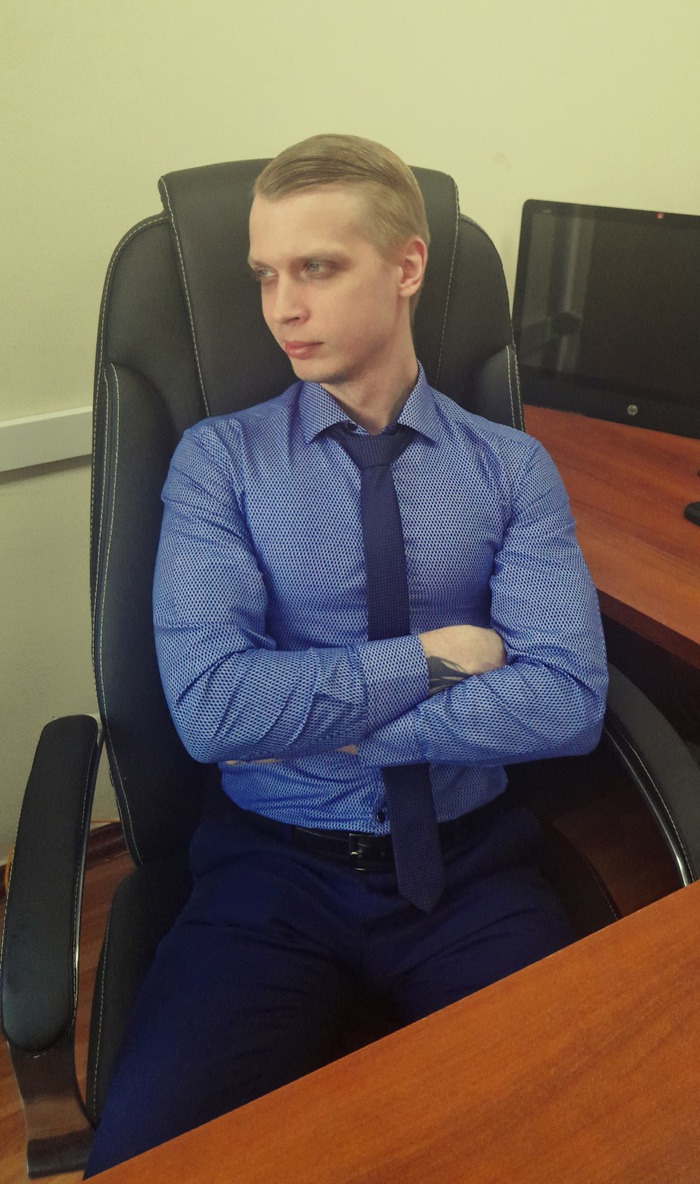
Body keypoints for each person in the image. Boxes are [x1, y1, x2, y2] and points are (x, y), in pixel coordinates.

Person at [84, 134, 607, 1175]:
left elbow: (567, 701)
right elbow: (215, 713)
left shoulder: (510, 468)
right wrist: (437, 656)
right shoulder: (220, 463)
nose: (281, 308)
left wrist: (332, 728)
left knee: (597, 1138)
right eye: (264, 275)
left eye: (316, 267)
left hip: (469, 870)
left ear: (406, 266)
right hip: (269, 875)